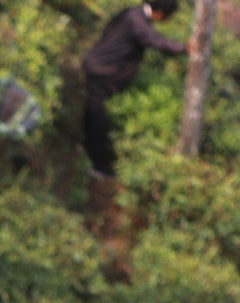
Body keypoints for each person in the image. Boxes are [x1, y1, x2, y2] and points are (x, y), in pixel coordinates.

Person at [82, 0, 193, 177]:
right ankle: (97, 165)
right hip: (101, 71)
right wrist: (184, 48)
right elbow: (154, 40)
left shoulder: (133, 14)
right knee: (97, 120)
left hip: (101, 69)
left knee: (95, 116)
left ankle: (92, 156)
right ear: (160, 13)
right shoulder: (137, 20)